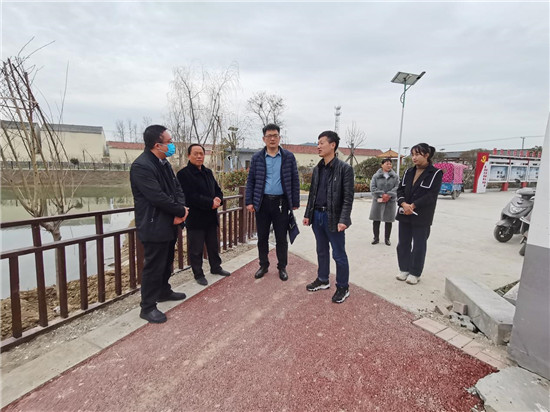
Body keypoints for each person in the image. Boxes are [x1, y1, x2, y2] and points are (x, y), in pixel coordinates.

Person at [130, 125, 189, 324]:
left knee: (166, 261)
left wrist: (181, 209)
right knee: (154, 266)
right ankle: (147, 307)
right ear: (157, 145)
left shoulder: (164, 163)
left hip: (169, 222)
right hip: (154, 223)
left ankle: (164, 291)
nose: (172, 145)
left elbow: (177, 189)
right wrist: (179, 211)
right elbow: (156, 196)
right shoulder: (142, 166)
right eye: (169, 142)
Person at [303, 131, 354, 303]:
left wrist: (344, 219)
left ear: (333, 145)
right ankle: (323, 279)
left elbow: (348, 198)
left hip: (334, 218)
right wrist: (308, 214)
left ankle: (343, 287)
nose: (318, 146)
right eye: (318, 143)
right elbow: (312, 194)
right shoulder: (317, 169)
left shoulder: (345, 169)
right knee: (321, 250)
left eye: (321, 143)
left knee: (338, 254)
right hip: (317, 216)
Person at [245, 123, 300, 281]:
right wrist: (249, 201)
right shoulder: (257, 158)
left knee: (281, 238)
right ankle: (263, 265)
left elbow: (295, 179)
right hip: (262, 203)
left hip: (281, 203)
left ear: (279, 137)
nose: (272, 139)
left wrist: (294, 201)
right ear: (264, 139)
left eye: (275, 135)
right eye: (269, 136)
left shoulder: (288, 157)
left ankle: (282, 267)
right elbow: (251, 181)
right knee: (262, 237)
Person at [176, 143, 230, 286]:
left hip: (211, 217)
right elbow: (190, 196)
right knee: (196, 249)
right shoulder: (183, 174)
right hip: (196, 218)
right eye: (196, 153)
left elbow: (217, 190)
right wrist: (210, 203)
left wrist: (218, 199)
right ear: (189, 155)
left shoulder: (208, 172)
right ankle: (198, 274)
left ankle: (216, 267)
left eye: (201, 153)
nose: (199, 156)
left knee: (213, 246)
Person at [395, 143, 443, 285]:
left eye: (417, 154)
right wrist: (403, 203)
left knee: (419, 245)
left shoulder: (435, 173)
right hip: (405, 213)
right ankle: (404, 269)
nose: (414, 158)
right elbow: (400, 190)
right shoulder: (409, 172)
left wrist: (414, 205)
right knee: (403, 243)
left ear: (426, 155)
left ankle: (415, 273)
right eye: (412, 155)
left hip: (421, 215)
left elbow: (431, 195)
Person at [369, 158, 399, 246]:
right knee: (376, 219)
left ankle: (387, 239)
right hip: (378, 200)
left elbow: (397, 187)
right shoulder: (376, 176)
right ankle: (376, 238)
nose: (389, 165)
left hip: (390, 201)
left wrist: (389, 195)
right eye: (387, 164)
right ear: (382, 165)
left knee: (388, 220)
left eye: (390, 164)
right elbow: (372, 187)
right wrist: (382, 194)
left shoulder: (395, 176)